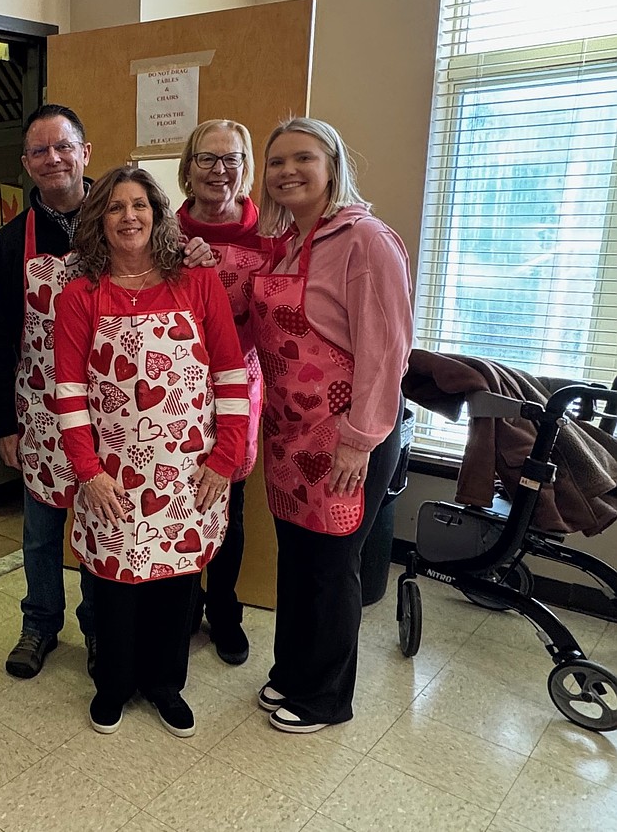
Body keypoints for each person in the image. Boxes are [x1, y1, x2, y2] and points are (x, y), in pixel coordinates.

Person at [0, 104, 218, 679]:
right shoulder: (12, 242)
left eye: (63, 146)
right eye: (39, 151)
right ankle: (39, 624)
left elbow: (180, 276)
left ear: (85, 153)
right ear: (26, 164)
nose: (52, 159)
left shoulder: (128, 218)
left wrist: (198, 252)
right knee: (40, 531)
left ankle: (98, 629)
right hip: (42, 409)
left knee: (103, 522)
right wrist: (4, 424)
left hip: (120, 420)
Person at [53, 166, 248, 737]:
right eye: (115, 207)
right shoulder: (79, 296)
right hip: (110, 475)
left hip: (186, 470)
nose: (129, 216)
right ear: (99, 220)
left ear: (159, 215)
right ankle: (112, 684)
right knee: (112, 586)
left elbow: (231, 375)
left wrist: (225, 458)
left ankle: (166, 685)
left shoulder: (197, 283)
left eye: (140, 205)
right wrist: (87, 471)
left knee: (175, 581)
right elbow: (68, 395)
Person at [251, 117, 412, 734]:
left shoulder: (366, 240)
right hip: (292, 433)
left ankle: (326, 697)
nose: (288, 171)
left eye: (303, 158)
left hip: (348, 436)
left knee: (332, 563)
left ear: (333, 166)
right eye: (276, 162)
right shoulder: (290, 241)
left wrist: (359, 439)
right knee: (296, 558)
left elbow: (386, 351)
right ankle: (292, 672)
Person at [175, 119, 285, 666]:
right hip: (174, 384)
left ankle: (224, 610)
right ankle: (183, 605)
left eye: (232, 159)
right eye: (207, 159)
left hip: (240, 379)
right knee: (178, 493)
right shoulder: (163, 233)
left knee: (229, 499)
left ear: (247, 169)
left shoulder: (271, 235)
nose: (220, 171)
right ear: (188, 169)